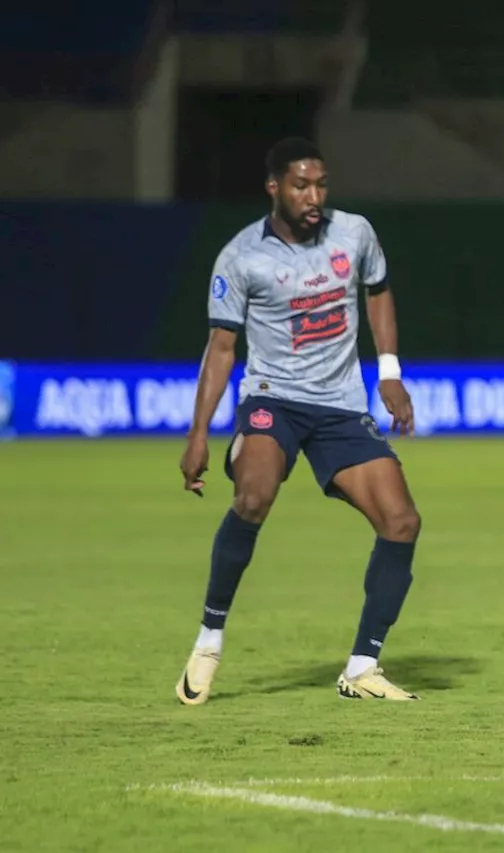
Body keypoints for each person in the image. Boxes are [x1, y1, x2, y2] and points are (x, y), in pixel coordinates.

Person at [175, 137, 423, 704]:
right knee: (254, 497)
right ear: (274, 188)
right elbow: (220, 349)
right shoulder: (241, 257)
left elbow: (378, 291)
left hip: (340, 405)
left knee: (402, 520)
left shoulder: (353, 233)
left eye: (321, 185)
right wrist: (197, 438)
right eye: (301, 185)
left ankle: (362, 668)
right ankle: (209, 639)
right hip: (274, 398)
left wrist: (389, 371)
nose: (314, 196)